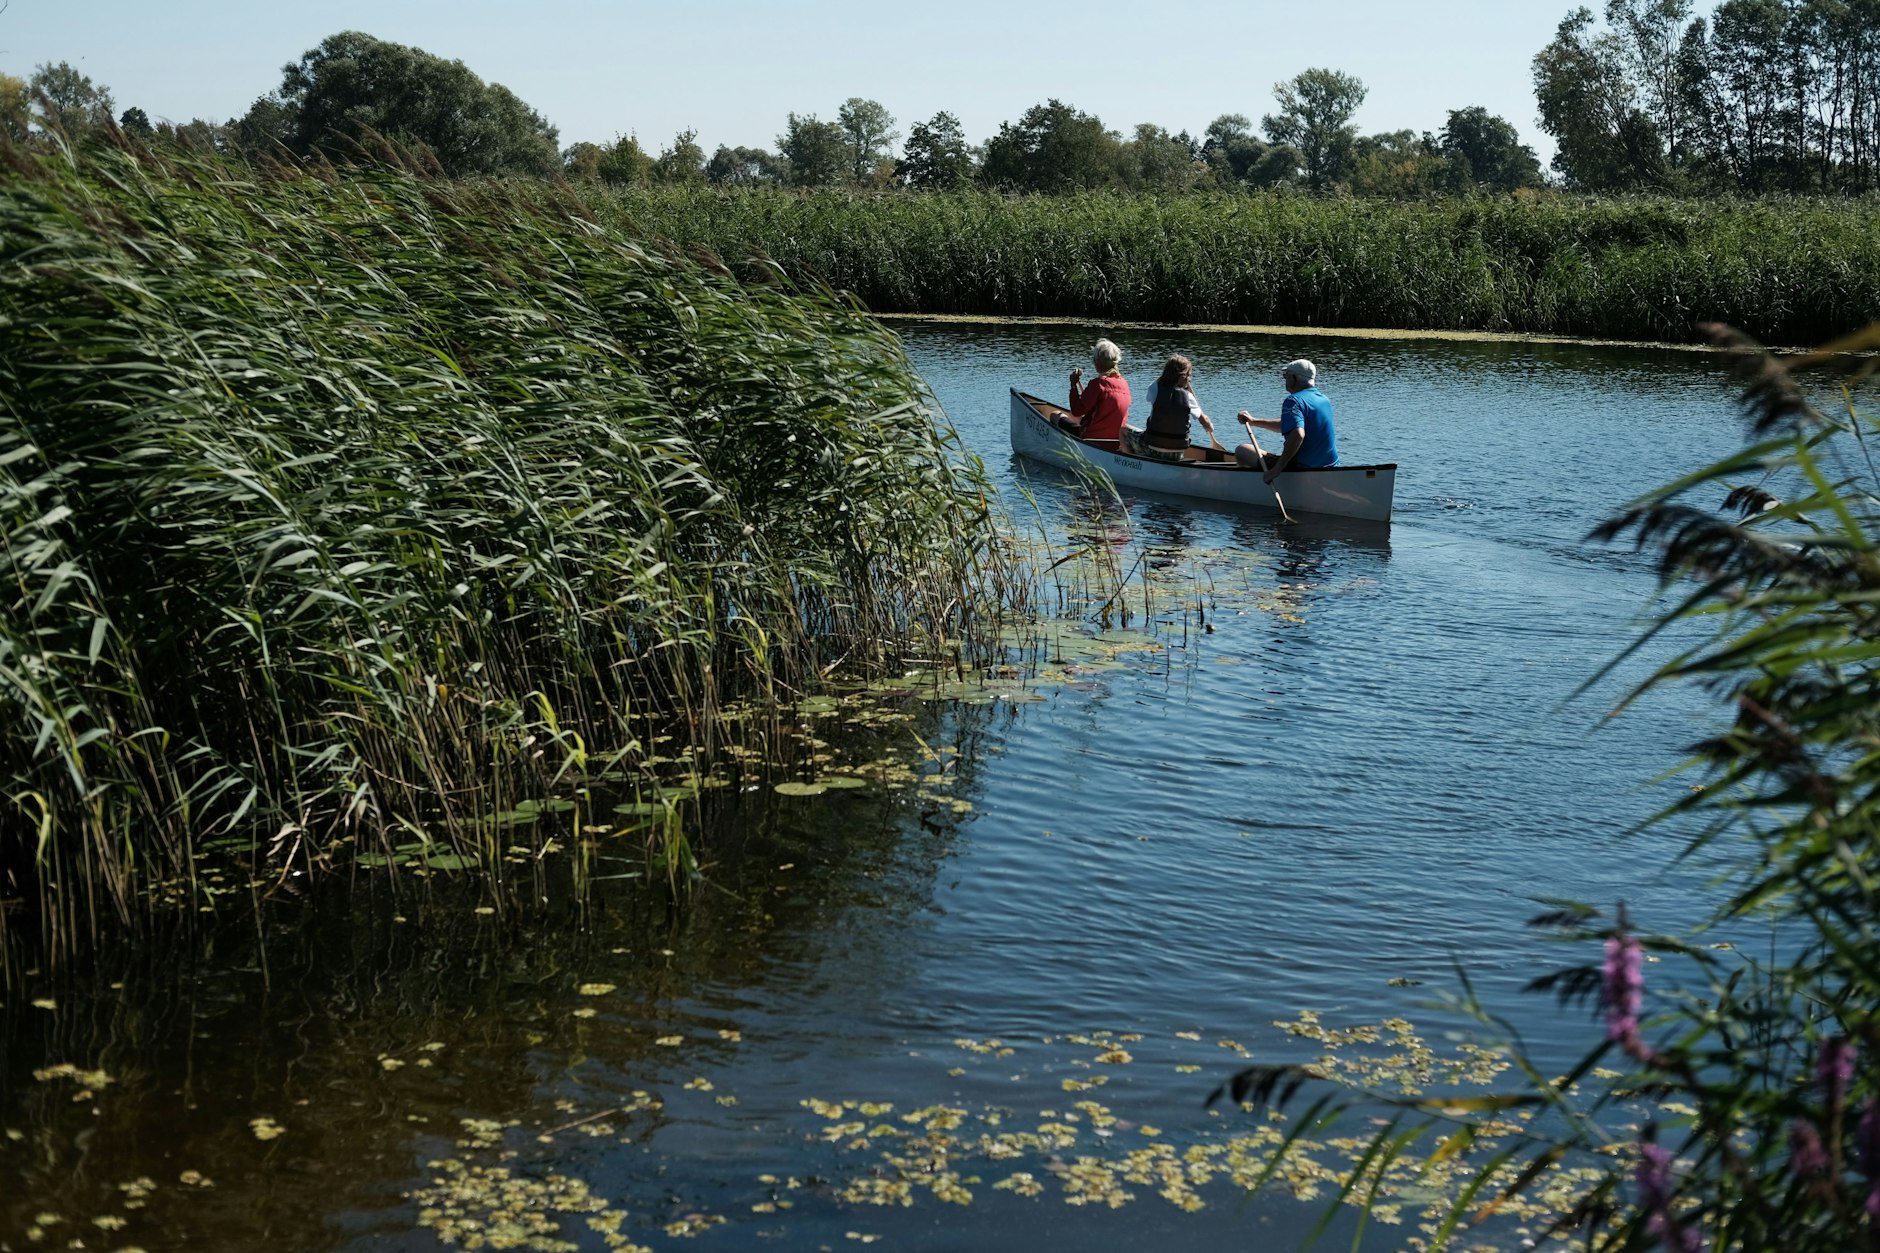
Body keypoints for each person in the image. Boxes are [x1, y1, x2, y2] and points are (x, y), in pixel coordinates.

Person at [1235, 358, 1338, 483]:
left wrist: (1277, 469)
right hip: (1330, 467)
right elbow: (1289, 424)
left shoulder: (1293, 401)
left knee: (1241, 450)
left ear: (1293, 378)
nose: (1285, 379)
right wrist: (1254, 421)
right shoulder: (1323, 400)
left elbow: (1298, 434)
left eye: (1286, 376)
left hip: (1302, 468)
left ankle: (1248, 486)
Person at [1122, 354, 1216, 461]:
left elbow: (1151, 392)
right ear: (1184, 377)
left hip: (1152, 448)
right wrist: (1208, 424)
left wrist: (1165, 376)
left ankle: (1131, 463)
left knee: (1122, 430)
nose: (1190, 379)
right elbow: (1208, 426)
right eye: (1189, 376)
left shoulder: (1155, 389)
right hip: (1177, 453)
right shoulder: (1189, 398)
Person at [1060, 338, 1131, 441]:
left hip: (1091, 438)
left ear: (1097, 362)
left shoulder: (1097, 384)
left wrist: (1073, 385)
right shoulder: (1124, 384)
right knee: (1075, 418)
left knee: (1055, 415)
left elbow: (1076, 410)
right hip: (1116, 441)